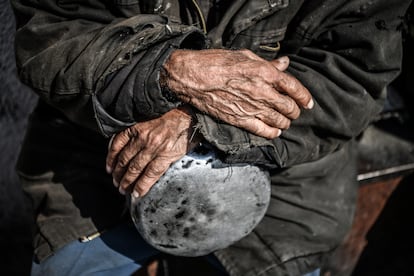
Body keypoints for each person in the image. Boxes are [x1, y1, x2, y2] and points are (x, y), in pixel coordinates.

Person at [11, 0, 411, 275]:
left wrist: (197, 119)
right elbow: (50, 33)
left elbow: (351, 71)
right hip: (99, 153)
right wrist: (169, 71)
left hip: (287, 177)